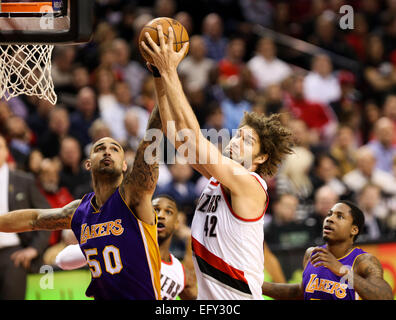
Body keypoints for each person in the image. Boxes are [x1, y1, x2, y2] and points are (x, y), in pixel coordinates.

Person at [141, 26, 294, 300]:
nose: (235, 142)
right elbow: (177, 137)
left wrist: (171, 71)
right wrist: (158, 75)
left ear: (260, 158)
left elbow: (194, 138)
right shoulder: (217, 178)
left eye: (247, 142)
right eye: (238, 136)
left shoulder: (250, 184)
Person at [0, 104, 164, 300]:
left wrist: (161, 83)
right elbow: (34, 219)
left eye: (114, 149)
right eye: (100, 148)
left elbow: (150, 141)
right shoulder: (79, 211)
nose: (107, 152)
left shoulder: (133, 197)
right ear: (88, 163)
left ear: (124, 165)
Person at [55, 195, 198, 300]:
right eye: (155, 209)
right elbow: (61, 260)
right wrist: (95, 246)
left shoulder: (181, 272)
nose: (160, 215)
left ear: (177, 222)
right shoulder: (124, 246)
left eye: (168, 212)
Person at [261, 201, 393, 300]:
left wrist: (343, 270)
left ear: (354, 230)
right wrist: (257, 285)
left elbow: (386, 296)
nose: (330, 219)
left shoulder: (363, 261)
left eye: (340, 216)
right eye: (330, 214)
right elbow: (301, 292)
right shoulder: (312, 254)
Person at [0, 135, 51, 300]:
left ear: (7, 151)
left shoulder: (23, 181)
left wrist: (34, 249)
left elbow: (47, 216)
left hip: (13, 253)